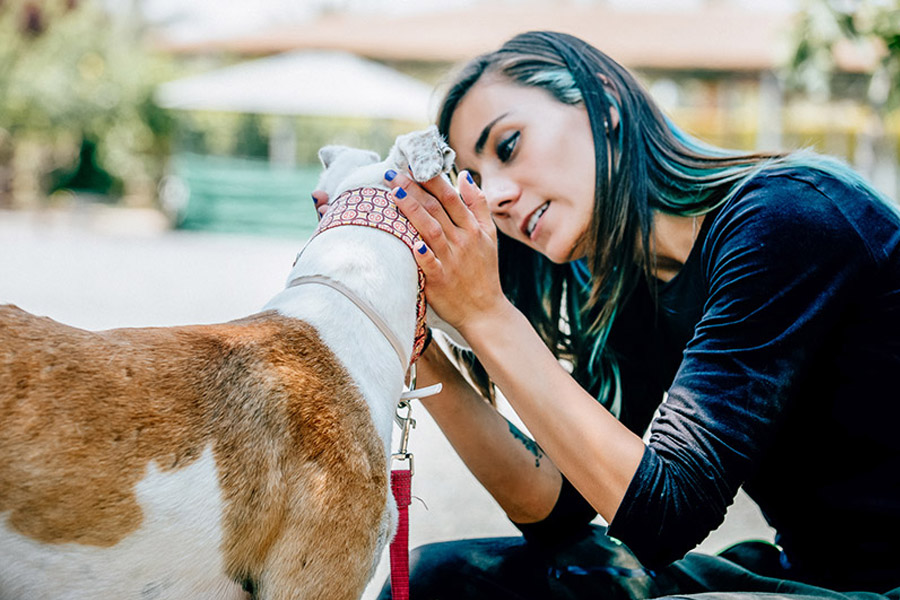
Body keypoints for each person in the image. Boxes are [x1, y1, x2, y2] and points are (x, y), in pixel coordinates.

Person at [317, 30, 900, 600]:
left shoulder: (789, 216)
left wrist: (485, 313)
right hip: (809, 575)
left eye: (509, 145)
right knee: (444, 578)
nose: (493, 196)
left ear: (606, 105)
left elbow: (668, 510)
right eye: (475, 179)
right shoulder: (639, 290)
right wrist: (413, 335)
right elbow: (555, 509)